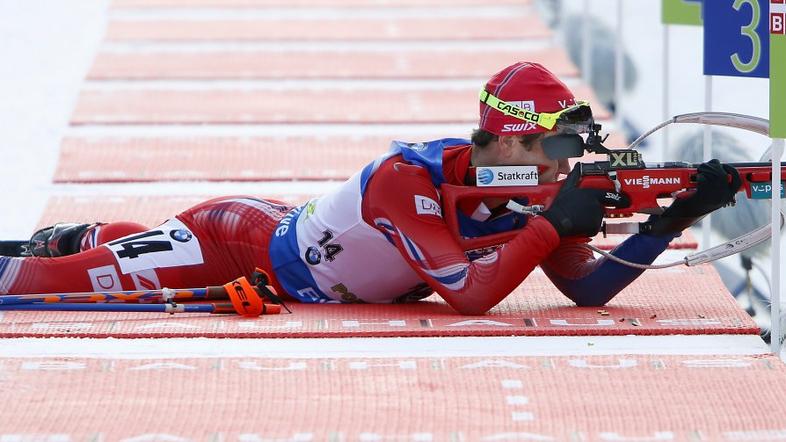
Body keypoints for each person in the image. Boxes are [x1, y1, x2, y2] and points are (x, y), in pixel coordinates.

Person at [0, 62, 740, 315]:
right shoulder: (406, 179)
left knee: (82, 259)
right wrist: (557, 223)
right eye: (551, 146)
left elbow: (584, 291)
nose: (560, 164)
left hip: (285, 253)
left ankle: (85, 235)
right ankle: (70, 248)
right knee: (33, 288)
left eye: (568, 149)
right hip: (234, 244)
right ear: (508, 138)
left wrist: (674, 217)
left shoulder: (533, 194)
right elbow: (472, 295)